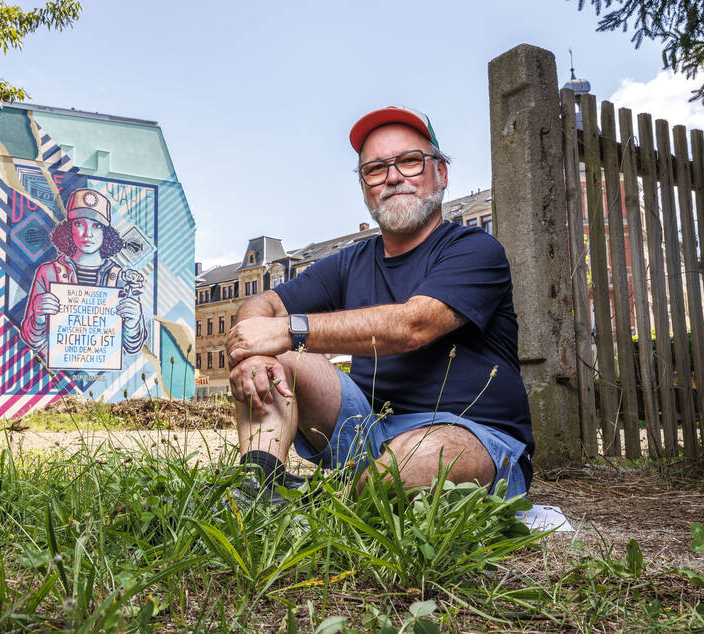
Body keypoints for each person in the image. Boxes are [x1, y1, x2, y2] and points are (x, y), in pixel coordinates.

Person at [226, 107, 533, 500]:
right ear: (365, 187)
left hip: (474, 435)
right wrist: (253, 351)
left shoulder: (475, 250)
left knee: (420, 461)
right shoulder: (349, 261)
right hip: (369, 429)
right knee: (276, 356)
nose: (392, 177)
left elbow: (414, 325)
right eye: (375, 169)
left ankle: (322, 500)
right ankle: (258, 485)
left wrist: (287, 331)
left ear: (440, 173)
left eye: (409, 161)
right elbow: (263, 302)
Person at [21, 188, 147, 355]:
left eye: (96, 226)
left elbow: (133, 347)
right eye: (79, 224)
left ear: (106, 233)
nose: (88, 234)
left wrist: (132, 325)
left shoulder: (122, 279)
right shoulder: (48, 272)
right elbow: (32, 341)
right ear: (68, 229)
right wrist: (38, 320)